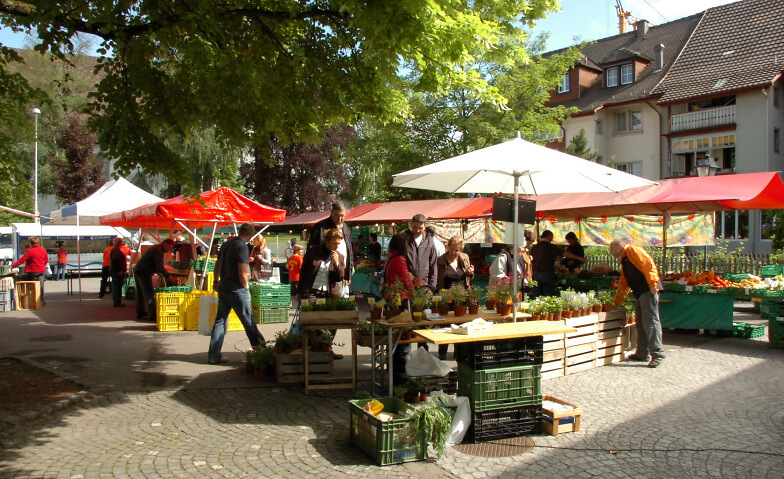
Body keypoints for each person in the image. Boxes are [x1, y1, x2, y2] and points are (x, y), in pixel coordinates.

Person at [208, 224, 267, 364]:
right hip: (236, 289)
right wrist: (245, 286)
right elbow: (242, 269)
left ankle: (213, 355)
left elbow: (217, 264)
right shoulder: (241, 247)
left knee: (220, 321)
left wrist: (216, 281)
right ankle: (262, 352)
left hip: (223, 286)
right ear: (250, 234)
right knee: (249, 322)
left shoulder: (227, 244)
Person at [610, 239, 666, 368]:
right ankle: (642, 353)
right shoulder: (625, 258)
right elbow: (624, 282)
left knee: (651, 322)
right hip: (641, 292)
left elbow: (648, 264)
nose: (610, 252)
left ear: (619, 246)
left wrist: (653, 284)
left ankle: (657, 354)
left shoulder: (633, 250)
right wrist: (617, 301)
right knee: (640, 323)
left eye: (611, 248)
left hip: (648, 290)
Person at [298, 228, 347, 359]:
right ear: (327, 241)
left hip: (330, 293)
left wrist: (337, 264)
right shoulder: (314, 252)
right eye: (334, 243)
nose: (337, 246)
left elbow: (339, 277)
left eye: (339, 243)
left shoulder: (339, 256)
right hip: (312, 291)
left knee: (332, 322)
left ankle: (327, 347)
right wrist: (299, 291)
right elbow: (303, 272)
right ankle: (313, 349)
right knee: (313, 322)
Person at [435, 235, 474, 359]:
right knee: (445, 325)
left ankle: (460, 352)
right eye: (451, 249)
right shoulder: (440, 260)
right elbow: (437, 279)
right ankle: (442, 352)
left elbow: (469, 277)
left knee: (461, 325)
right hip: (446, 296)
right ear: (448, 247)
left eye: (456, 250)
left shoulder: (464, 258)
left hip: (462, 297)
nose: (453, 252)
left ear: (461, 250)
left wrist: (471, 273)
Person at [307, 201, 353, 294]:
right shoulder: (321, 227)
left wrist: (348, 273)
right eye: (337, 215)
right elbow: (312, 251)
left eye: (342, 216)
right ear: (332, 213)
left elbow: (350, 251)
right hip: (325, 273)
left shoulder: (345, 228)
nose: (340, 219)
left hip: (341, 271)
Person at [133, 239, 176, 321]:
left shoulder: (156, 248)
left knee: (140, 292)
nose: (169, 250)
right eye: (169, 248)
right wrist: (168, 276)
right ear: (165, 244)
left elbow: (157, 265)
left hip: (139, 269)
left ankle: (140, 312)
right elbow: (159, 265)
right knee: (149, 293)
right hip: (144, 271)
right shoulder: (158, 250)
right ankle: (152, 315)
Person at [404, 214, 438, 293]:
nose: (418, 230)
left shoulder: (430, 241)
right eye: (415, 227)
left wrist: (432, 287)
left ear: (425, 226)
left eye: (420, 228)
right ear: (411, 224)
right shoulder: (404, 239)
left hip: (424, 286)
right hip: (407, 284)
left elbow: (433, 265)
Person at [11, 236, 49, 305]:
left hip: (33, 271)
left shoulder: (30, 251)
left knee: (32, 285)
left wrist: (12, 266)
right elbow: (46, 261)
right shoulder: (43, 250)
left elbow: (22, 260)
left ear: (30, 243)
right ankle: (42, 298)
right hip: (42, 270)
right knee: (41, 285)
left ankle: (33, 299)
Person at [530, 230, 561, 297]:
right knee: (548, 295)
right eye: (552, 237)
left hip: (536, 273)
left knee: (537, 295)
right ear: (549, 236)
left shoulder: (535, 247)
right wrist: (578, 257)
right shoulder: (551, 247)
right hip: (547, 273)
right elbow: (563, 253)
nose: (552, 239)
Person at [109, 237, 128, 307]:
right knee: (117, 286)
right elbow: (115, 259)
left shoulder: (114, 250)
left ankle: (116, 301)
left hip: (114, 270)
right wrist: (120, 269)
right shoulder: (116, 250)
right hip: (117, 271)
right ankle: (117, 302)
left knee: (116, 286)